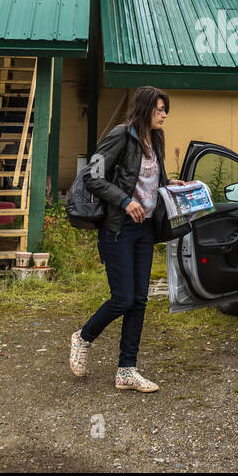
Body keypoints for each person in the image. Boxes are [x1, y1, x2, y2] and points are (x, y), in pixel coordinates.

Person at [70, 86, 192, 392]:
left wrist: (169, 182)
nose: (164, 114)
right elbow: (91, 176)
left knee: (139, 300)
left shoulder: (156, 140)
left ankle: (127, 369)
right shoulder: (121, 136)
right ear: (145, 108)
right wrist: (125, 201)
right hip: (118, 228)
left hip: (146, 229)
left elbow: (149, 179)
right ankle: (83, 337)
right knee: (122, 298)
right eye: (160, 109)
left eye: (166, 110)